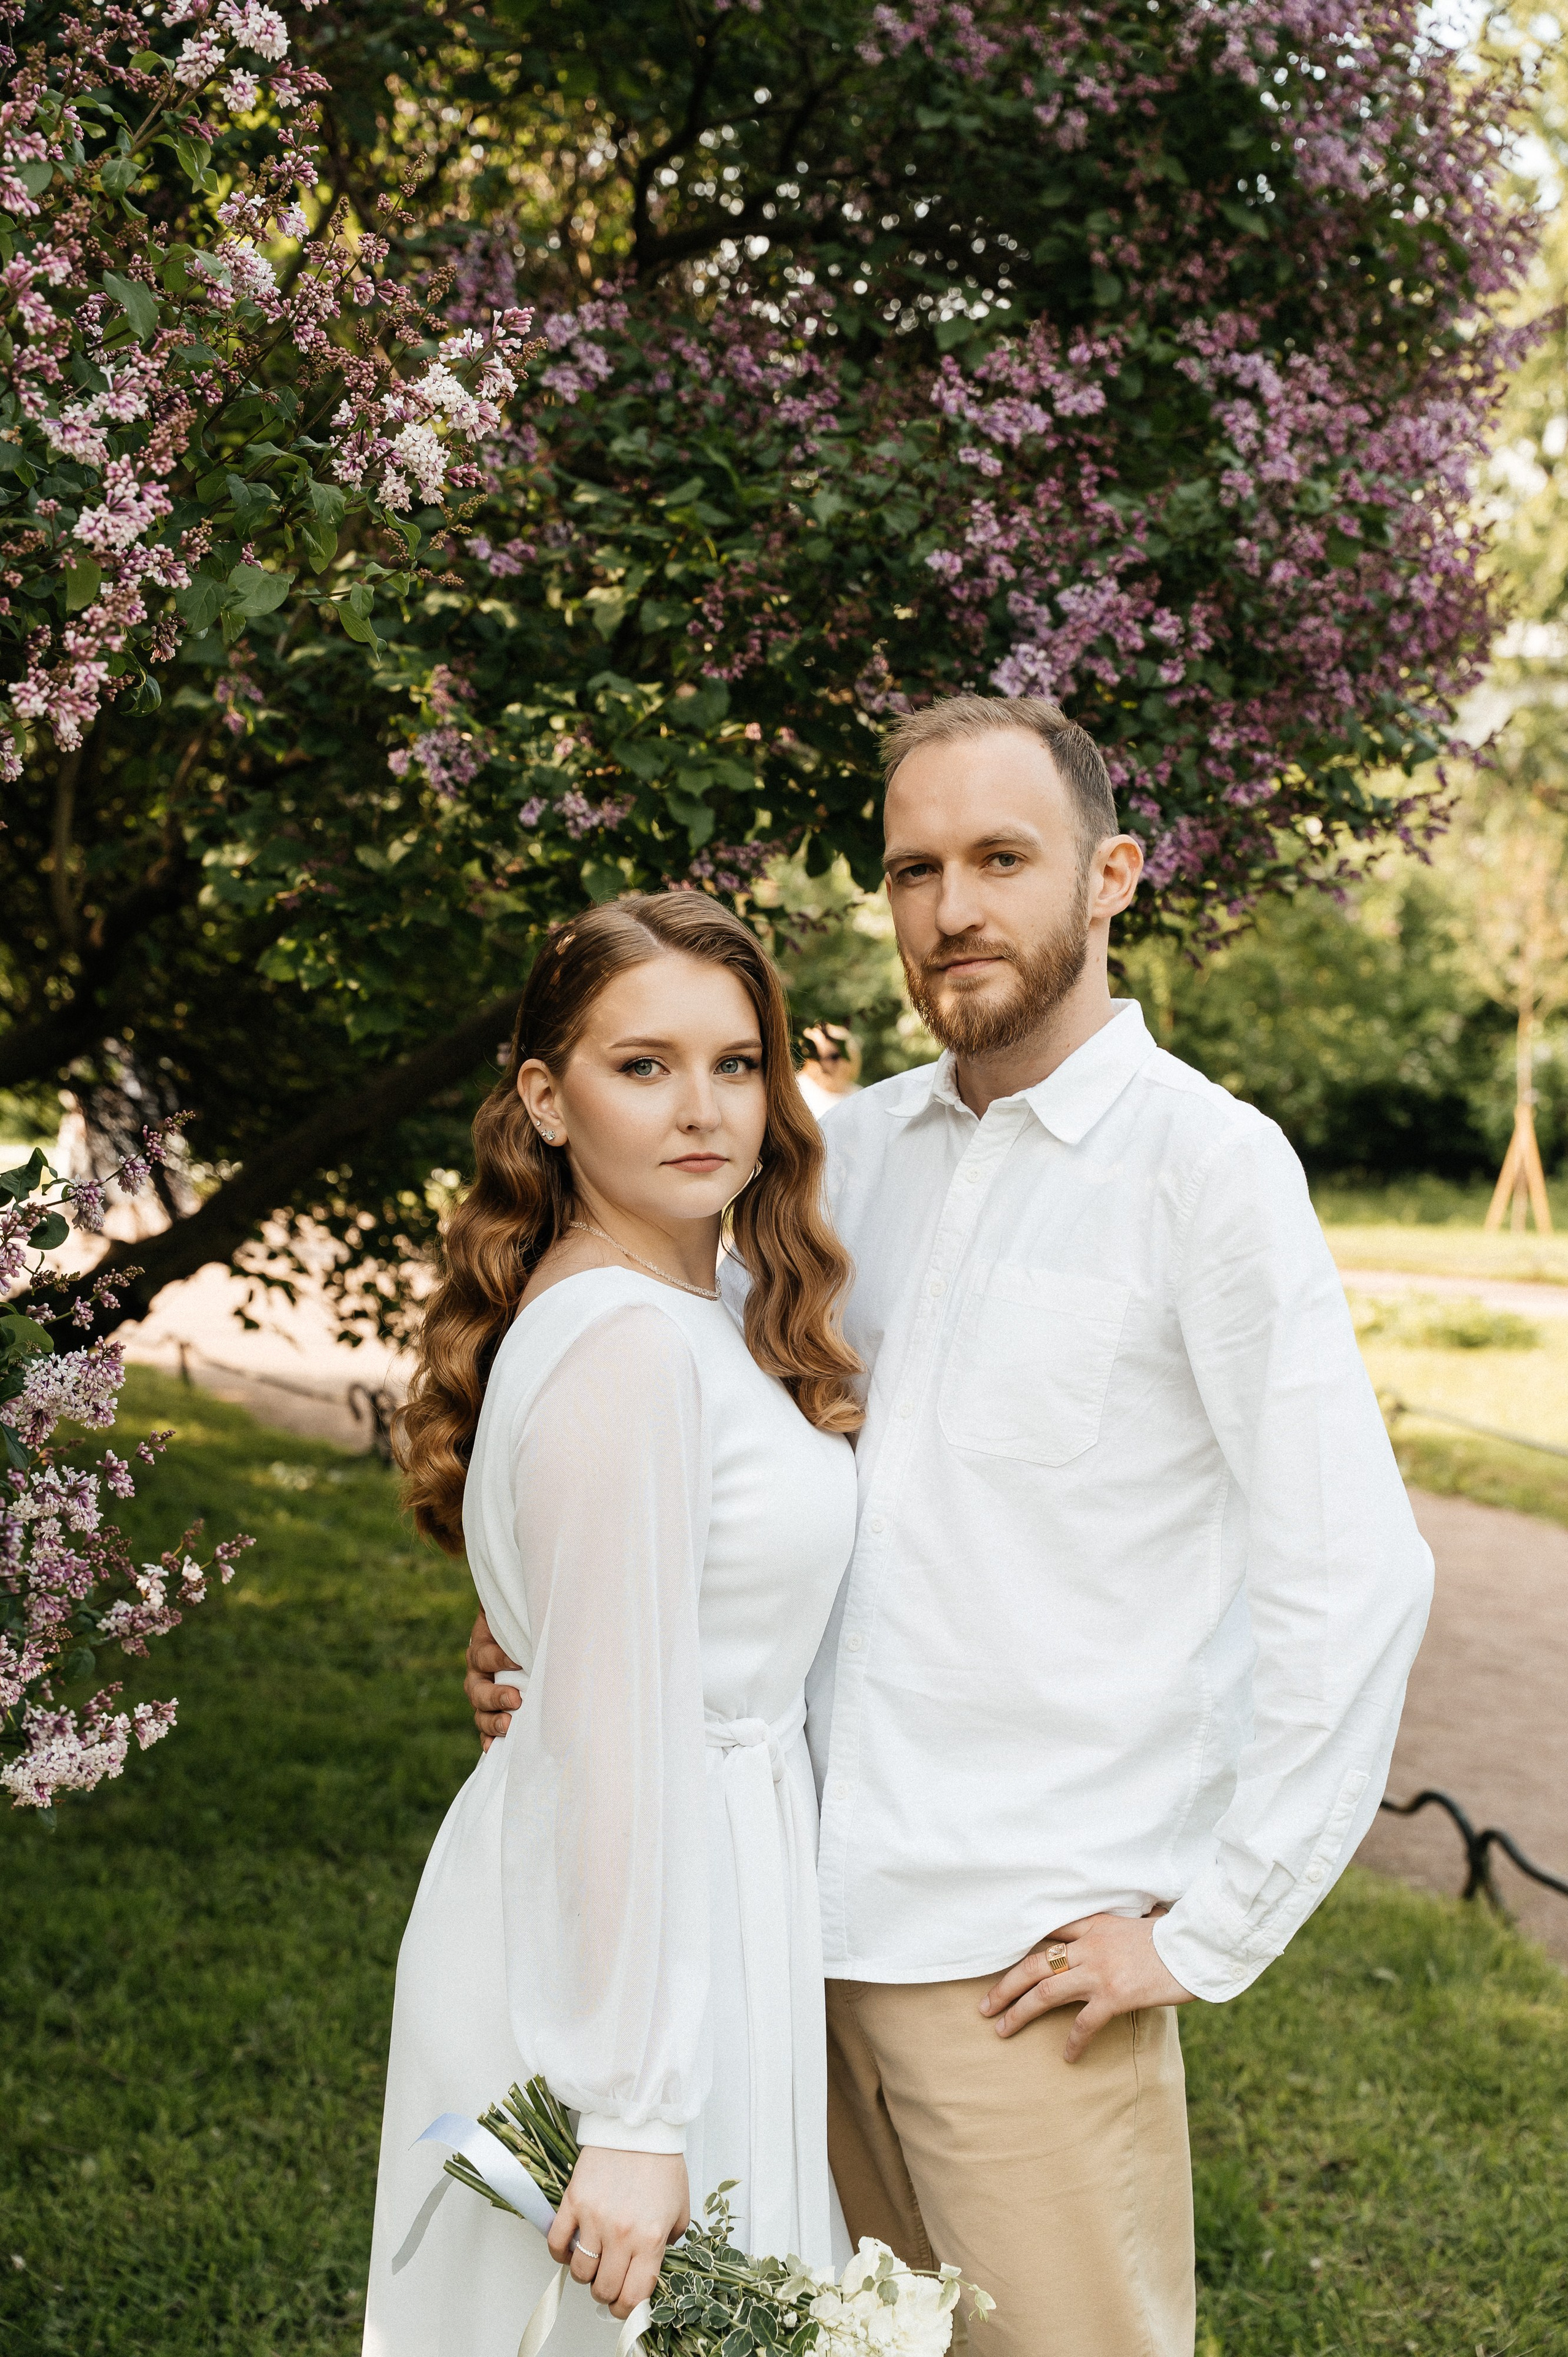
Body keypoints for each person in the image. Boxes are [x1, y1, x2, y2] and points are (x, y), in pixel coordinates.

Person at [466, 694, 1434, 2357]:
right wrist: (544, 1647)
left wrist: (1206, 1933)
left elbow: (1354, 1570)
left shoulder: (1208, 1171)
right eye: (916, 869)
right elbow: (692, 1455)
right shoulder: (839, 1164)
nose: (953, 910)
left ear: (1111, 875)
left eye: (1002, 858)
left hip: (1020, 1964)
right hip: (775, 1924)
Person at [364, 894, 862, 2357]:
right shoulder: (630, 1343)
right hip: (634, 1939)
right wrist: (634, 2111)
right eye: (642, 1065)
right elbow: (616, 1740)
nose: (701, 1108)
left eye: (736, 1062)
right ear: (544, 1096)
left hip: (706, 1876)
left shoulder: (688, 1299)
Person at [797, 1022, 863, 1120]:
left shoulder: (860, 1096)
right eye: (817, 1057)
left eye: (834, 1056)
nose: (824, 1064)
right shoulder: (795, 1092)